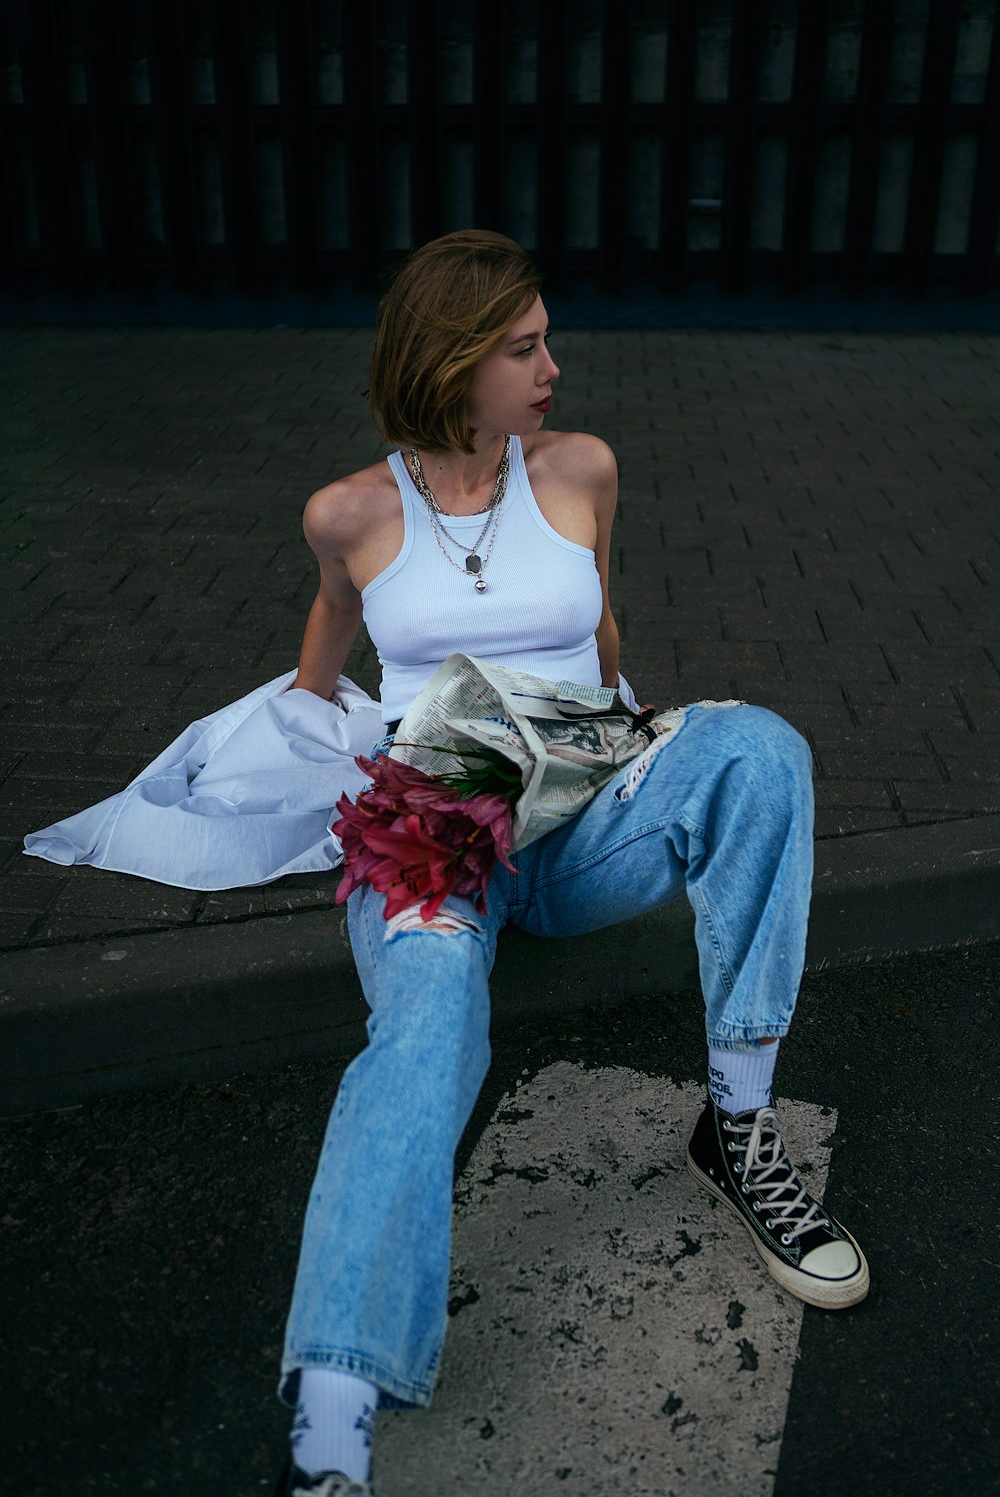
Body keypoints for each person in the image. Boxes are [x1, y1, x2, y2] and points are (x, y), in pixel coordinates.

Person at [276, 231, 869, 1497]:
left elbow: (599, 632)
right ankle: (332, 1418)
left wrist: (639, 743)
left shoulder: (582, 468)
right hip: (440, 832)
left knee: (761, 750)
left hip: (586, 814)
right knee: (429, 1026)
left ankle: (739, 1126)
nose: (554, 365)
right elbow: (328, 631)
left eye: (547, 339)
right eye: (523, 347)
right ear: (451, 363)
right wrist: (290, 749)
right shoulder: (352, 511)